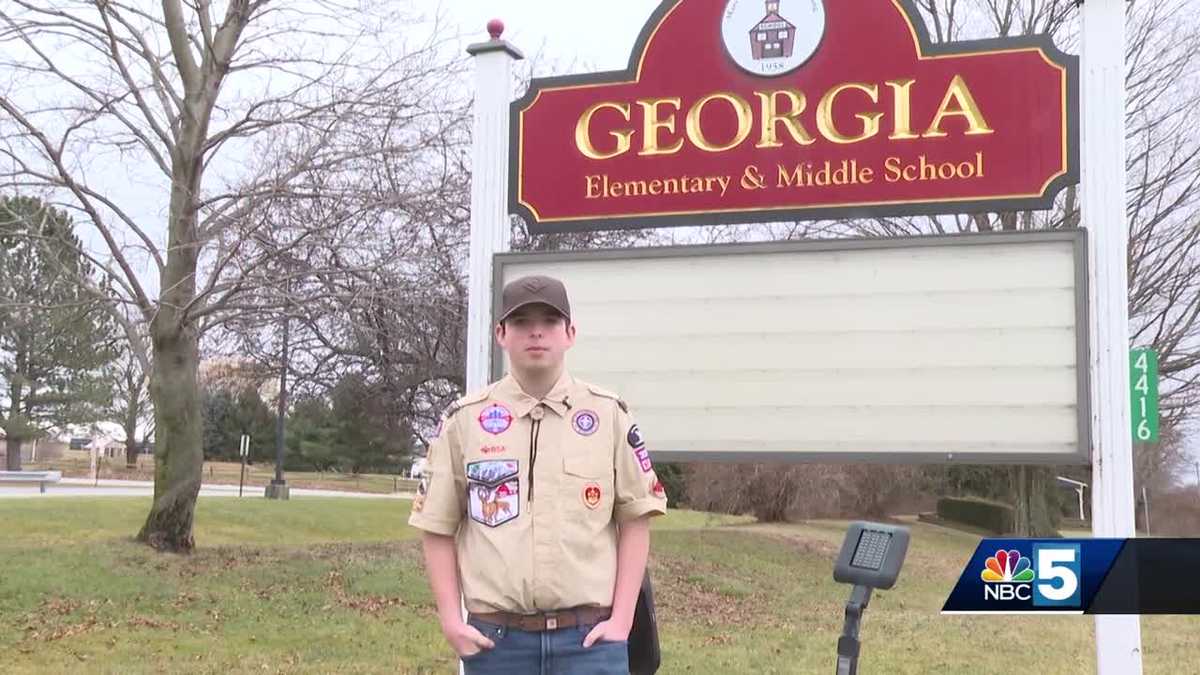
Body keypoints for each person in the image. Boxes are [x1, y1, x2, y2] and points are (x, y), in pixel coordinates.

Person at [409, 274, 668, 674]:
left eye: (549, 320)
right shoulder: (465, 421)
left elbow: (636, 519)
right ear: (501, 333)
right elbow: (436, 525)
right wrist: (450, 619)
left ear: (570, 332)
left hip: (590, 642)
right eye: (521, 321)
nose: (536, 332)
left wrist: (622, 620)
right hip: (497, 643)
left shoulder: (608, 415)